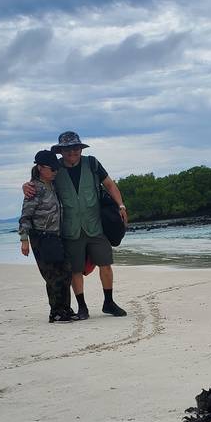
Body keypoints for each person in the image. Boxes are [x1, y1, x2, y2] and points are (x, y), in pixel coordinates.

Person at [23, 131, 128, 319]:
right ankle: (82, 307)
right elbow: (40, 183)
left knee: (106, 263)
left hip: (95, 226)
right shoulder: (56, 169)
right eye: (68, 149)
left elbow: (110, 185)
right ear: (61, 151)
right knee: (76, 270)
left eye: (76, 148)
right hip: (70, 230)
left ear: (81, 148)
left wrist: (120, 205)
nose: (73, 152)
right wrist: (26, 185)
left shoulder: (93, 164)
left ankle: (109, 303)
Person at [19, 150, 74, 323]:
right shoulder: (34, 189)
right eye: (52, 169)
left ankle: (65, 308)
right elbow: (25, 217)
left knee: (65, 272)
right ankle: (56, 312)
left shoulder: (53, 185)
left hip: (56, 236)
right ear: (41, 168)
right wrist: (24, 240)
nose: (56, 171)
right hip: (41, 238)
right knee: (52, 276)